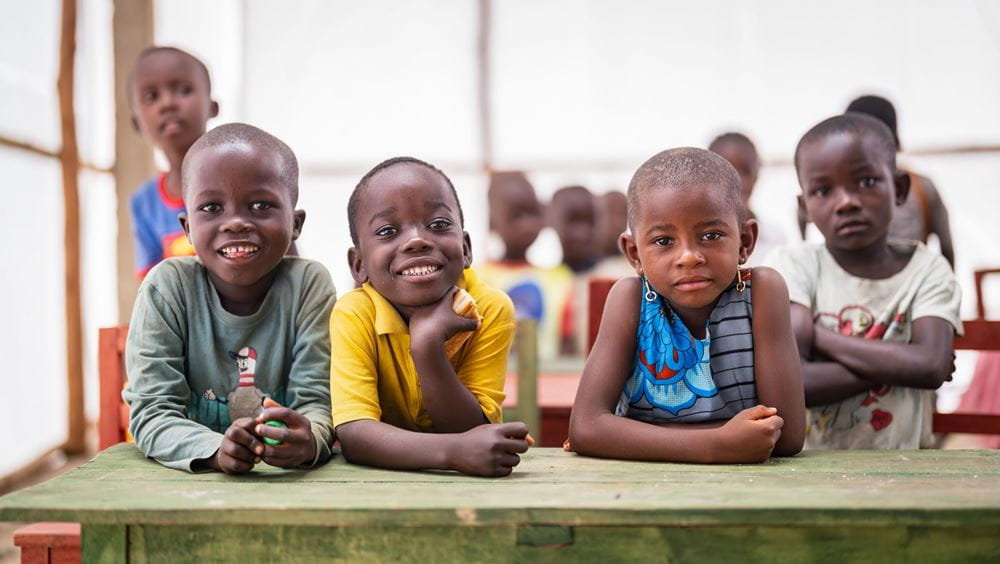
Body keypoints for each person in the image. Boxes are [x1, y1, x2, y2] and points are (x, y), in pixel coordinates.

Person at [568, 148, 805, 463]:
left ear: (745, 242)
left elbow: (787, 435)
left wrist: (629, 434)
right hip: (636, 490)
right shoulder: (631, 300)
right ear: (634, 254)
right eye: (664, 241)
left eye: (710, 235)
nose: (689, 256)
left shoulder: (761, 293)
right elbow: (585, 428)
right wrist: (717, 444)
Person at [123, 123, 336, 473]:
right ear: (187, 227)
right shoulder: (168, 287)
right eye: (211, 208)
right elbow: (152, 413)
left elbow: (318, 402)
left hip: (288, 484)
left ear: (295, 224)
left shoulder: (308, 286)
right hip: (187, 485)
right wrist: (216, 450)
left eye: (261, 204)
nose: (236, 222)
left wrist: (310, 438)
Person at [769, 113, 961, 449]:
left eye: (867, 181)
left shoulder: (928, 270)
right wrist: (905, 361)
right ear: (805, 207)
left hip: (902, 469)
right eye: (824, 190)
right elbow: (794, 384)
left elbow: (930, 367)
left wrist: (818, 337)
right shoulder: (793, 265)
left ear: (899, 189)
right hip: (810, 471)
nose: (846, 202)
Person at [331, 157, 531, 477]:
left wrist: (427, 350)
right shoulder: (354, 313)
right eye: (387, 230)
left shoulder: (489, 308)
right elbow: (355, 435)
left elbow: (470, 429)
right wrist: (452, 452)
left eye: (438, 225)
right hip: (374, 486)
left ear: (466, 248)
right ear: (359, 264)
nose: (416, 240)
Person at [127, 46, 218, 278]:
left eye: (183, 90)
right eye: (151, 96)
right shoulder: (144, 203)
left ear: (212, 107)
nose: (167, 103)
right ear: (137, 123)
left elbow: (290, 261)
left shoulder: (244, 177)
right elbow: (152, 286)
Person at [845, 95, 955, 267]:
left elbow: (947, 249)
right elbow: (947, 249)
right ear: (895, 140)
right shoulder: (921, 187)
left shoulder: (833, 191)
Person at [478, 171, 571, 361]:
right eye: (517, 215)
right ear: (492, 220)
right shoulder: (474, 279)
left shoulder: (559, 278)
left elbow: (567, 345)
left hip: (548, 384)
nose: (527, 224)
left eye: (533, 213)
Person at [709, 132, 787, 265]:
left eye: (745, 171)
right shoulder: (701, 238)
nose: (737, 182)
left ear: (757, 173)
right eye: (726, 172)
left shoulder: (775, 236)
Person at [549, 185, 599, 356]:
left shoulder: (612, 280)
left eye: (590, 222)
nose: (584, 232)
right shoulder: (545, 281)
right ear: (551, 222)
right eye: (573, 221)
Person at [591, 190, 634, 279]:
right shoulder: (582, 267)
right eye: (610, 213)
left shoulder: (632, 266)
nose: (618, 222)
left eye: (623, 214)